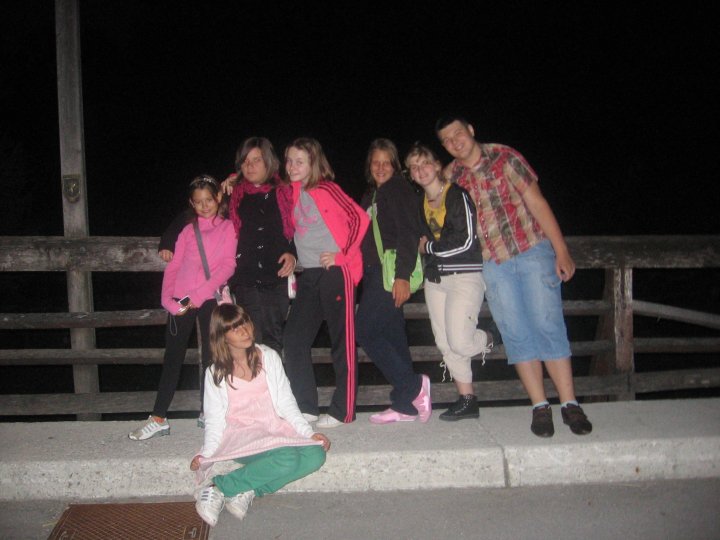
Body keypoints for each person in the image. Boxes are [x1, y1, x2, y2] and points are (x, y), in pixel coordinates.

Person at [435, 115, 593, 437]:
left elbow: (537, 202)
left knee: (547, 324)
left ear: (470, 130)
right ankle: (539, 406)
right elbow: (435, 211)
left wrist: (561, 249)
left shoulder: (504, 157)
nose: (454, 142)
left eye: (458, 134)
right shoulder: (451, 176)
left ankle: (569, 404)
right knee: (516, 333)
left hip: (531, 251)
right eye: (447, 140)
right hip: (492, 264)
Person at [191, 304, 329, 527]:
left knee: (315, 455)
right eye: (235, 328)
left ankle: (248, 488)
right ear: (222, 336)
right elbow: (214, 420)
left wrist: (308, 434)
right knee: (287, 458)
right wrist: (206, 455)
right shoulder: (215, 373)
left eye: (245, 323)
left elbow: (286, 402)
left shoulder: (269, 357)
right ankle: (217, 486)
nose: (245, 331)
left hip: (273, 427)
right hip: (241, 435)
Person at [159, 137, 295, 356]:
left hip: (274, 278)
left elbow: (296, 228)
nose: (250, 166)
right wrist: (167, 241)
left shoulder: (285, 193)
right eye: (245, 161)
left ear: (269, 161)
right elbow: (195, 212)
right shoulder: (235, 195)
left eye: (256, 160)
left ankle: (273, 379)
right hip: (245, 281)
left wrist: (292, 253)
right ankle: (251, 380)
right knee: (248, 341)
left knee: (273, 341)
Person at [129, 175, 237, 441]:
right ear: (191, 203)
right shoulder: (188, 230)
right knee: (173, 357)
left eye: (209, 200)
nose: (204, 206)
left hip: (209, 297)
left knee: (212, 357)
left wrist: (198, 296)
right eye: (198, 202)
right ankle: (158, 417)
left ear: (218, 198)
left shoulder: (227, 228)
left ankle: (208, 411)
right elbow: (174, 266)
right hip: (181, 299)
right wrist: (167, 300)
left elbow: (228, 266)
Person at [282, 137, 369, 429]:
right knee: (294, 338)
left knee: (341, 341)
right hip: (309, 275)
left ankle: (344, 410)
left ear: (313, 163)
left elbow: (360, 218)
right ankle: (306, 407)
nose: (292, 166)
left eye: (300, 161)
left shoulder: (327, 188)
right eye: (289, 160)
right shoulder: (292, 191)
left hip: (335, 272)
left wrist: (343, 256)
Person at [406, 142, 492, 421]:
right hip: (435, 280)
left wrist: (429, 248)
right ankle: (467, 399)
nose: (420, 170)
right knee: (445, 343)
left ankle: (491, 336)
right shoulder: (419, 203)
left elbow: (465, 241)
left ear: (437, 165)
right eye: (414, 167)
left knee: (461, 342)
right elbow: (415, 239)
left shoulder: (457, 195)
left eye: (424, 163)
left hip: (464, 276)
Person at [355, 138, 431, 425]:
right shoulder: (372, 195)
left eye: (386, 162)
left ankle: (413, 386)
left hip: (388, 273)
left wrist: (401, 277)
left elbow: (408, 233)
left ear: (396, 166)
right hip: (375, 273)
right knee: (392, 335)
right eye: (376, 162)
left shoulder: (397, 189)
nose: (380, 167)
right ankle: (405, 405)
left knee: (365, 331)